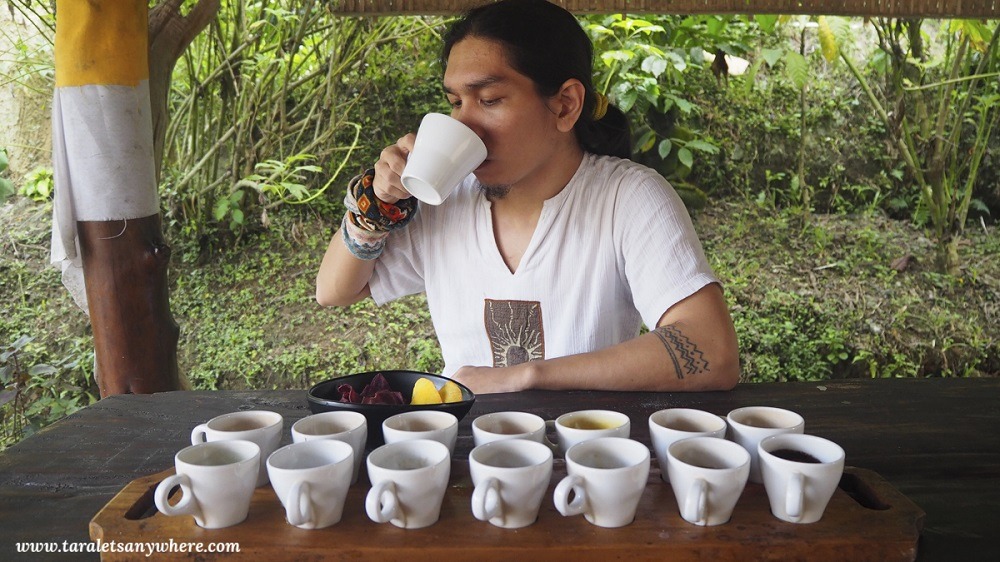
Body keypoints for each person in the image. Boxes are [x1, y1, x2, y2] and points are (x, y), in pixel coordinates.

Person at [316, 0, 739, 394]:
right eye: (455, 102)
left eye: (489, 99)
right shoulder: (444, 201)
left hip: (586, 456)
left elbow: (713, 352)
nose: (465, 124)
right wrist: (375, 205)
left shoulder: (627, 199)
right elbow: (336, 291)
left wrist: (527, 376)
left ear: (565, 105)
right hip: (466, 457)